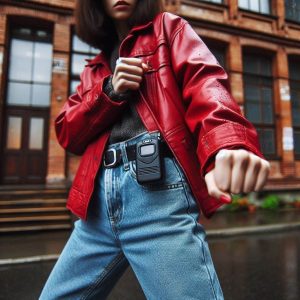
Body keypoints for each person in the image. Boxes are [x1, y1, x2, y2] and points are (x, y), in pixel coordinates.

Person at [40, 0, 270, 299]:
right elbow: (68, 133)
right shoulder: (94, 69)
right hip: (95, 208)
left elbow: (206, 84)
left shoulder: (168, 29)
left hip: (156, 195)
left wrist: (228, 142)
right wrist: (109, 90)